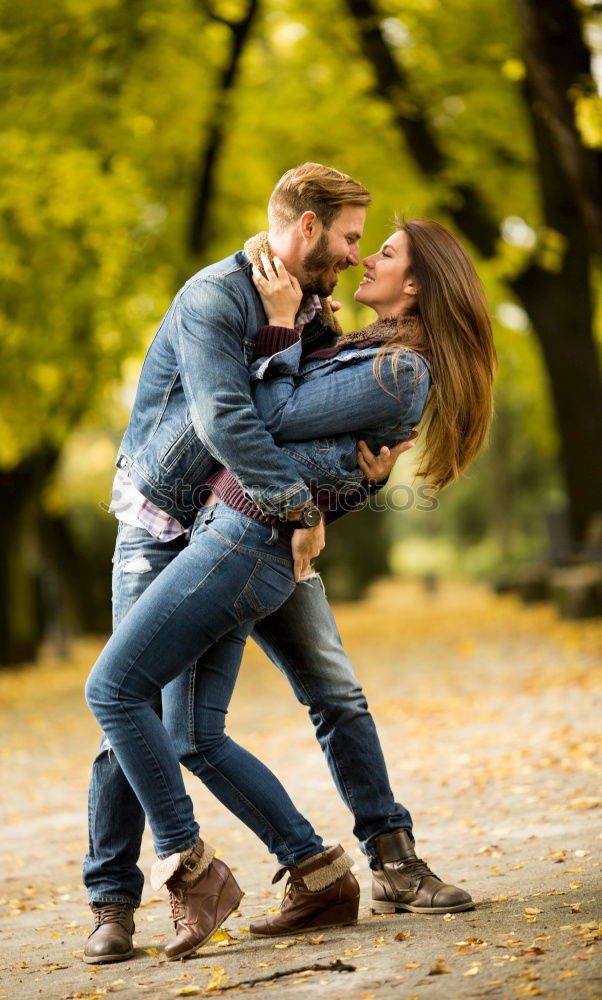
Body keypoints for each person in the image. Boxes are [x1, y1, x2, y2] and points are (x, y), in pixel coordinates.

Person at [83, 164, 494, 965]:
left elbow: (297, 418)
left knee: (315, 692)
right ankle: (118, 901)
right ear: (306, 227)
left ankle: (382, 858)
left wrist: (335, 490)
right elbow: (235, 416)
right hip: (173, 518)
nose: (356, 259)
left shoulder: (338, 330)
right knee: (144, 721)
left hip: (243, 534)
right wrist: (319, 500)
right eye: (352, 241)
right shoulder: (219, 298)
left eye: (377, 251)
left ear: (415, 290)